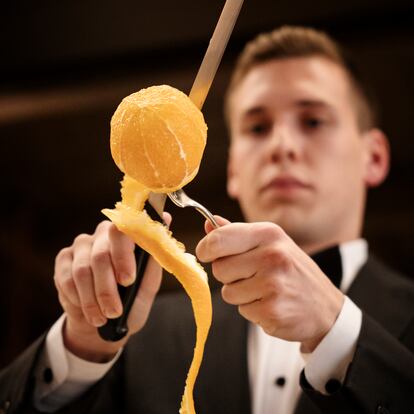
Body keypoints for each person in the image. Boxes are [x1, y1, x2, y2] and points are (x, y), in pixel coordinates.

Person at [1, 26, 413, 414]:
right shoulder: (145, 336)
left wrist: (337, 333)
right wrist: (83, 346)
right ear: (233, 169)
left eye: (313, 121)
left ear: (373, 157)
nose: (281, 146)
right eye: (257, 127)